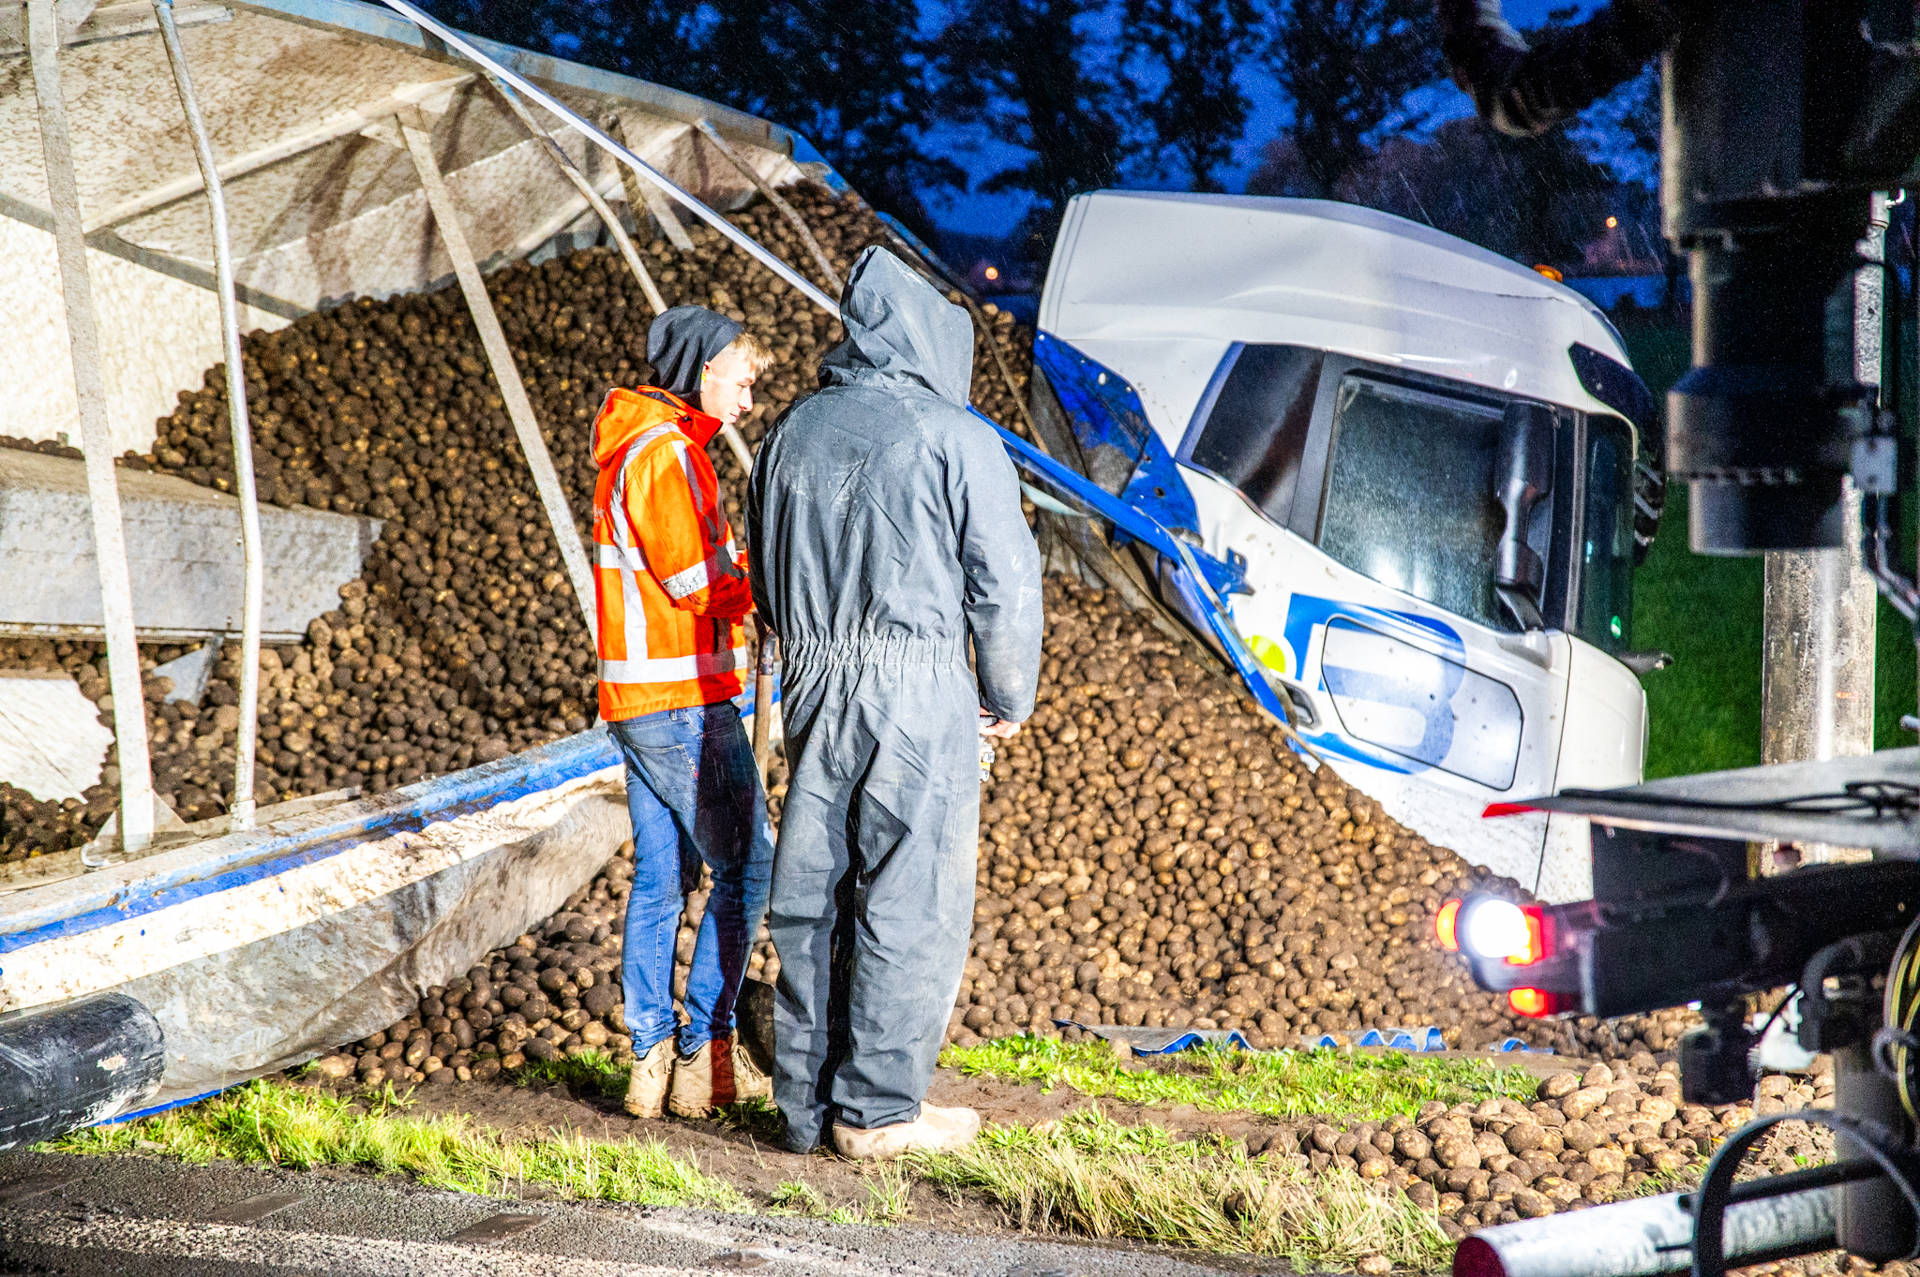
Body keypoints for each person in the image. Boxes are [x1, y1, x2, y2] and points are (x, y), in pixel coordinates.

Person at [747, 247, 1043, 1159]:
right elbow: (1004, 579)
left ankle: (803, 1107)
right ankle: (876, 1111)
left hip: (811, 679)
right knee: (909, 891)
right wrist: (1008, 692)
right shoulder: (957, 437)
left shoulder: (788, 433)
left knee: (812, 892)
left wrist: (812, 646)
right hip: (916, 685)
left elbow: (763, 579)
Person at [590, 304, 775, 1120]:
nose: (746, 400)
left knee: (662, 877)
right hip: (683, 700)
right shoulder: (669, 454)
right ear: (702, 369)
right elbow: (698, 581)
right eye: (741, 382)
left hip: (640, 699)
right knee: (748, 867)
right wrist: (766, 584)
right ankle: (706, 1048)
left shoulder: (633, 446)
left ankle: (650, 1064)